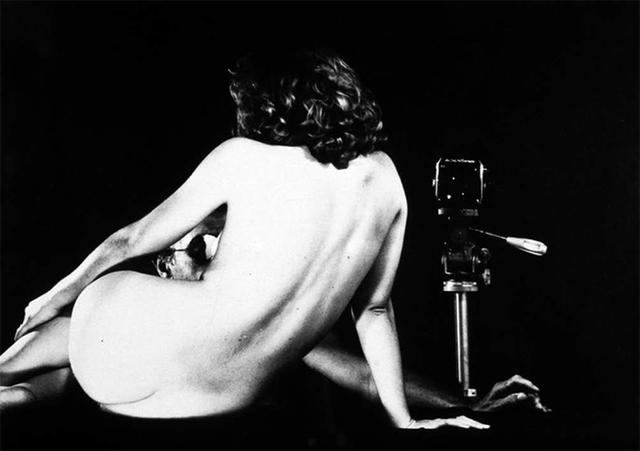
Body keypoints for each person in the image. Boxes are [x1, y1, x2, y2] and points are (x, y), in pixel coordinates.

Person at [2, 49, 493, 434]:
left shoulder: (243, 157)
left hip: (118, 365)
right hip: (212, 399)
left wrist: (50, 298)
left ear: (267, 104)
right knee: (73, 366)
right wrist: (404, 421)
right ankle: (19, 390)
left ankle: (13, 380)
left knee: (74, 334)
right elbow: (375, 311)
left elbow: (128, 241)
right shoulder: (387, 180)